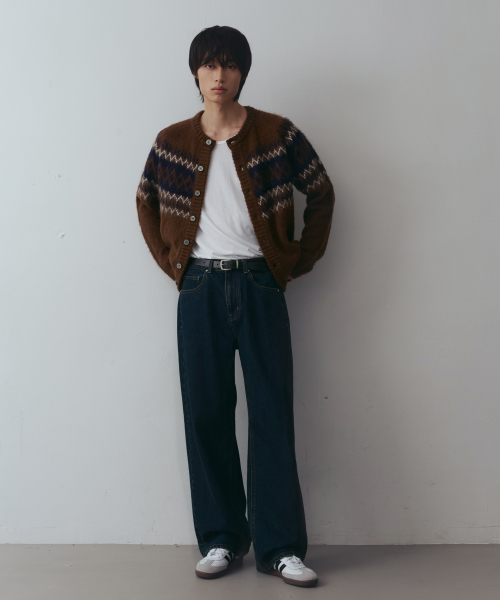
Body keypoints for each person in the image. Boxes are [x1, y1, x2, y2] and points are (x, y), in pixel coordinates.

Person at [135, 25, 335, 588]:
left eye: (228, 65)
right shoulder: (172, 142)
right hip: (199, 287)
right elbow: (145, 201)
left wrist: (295, 260)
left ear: (243, 72)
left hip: (260, 284)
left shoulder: (277, 134)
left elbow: (321, 191)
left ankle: (281, 547)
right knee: (206, 414)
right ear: (195, 73)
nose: (218, 75)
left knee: (272, 412)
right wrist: (175, 265)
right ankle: (220, 538)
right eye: (209, 65)